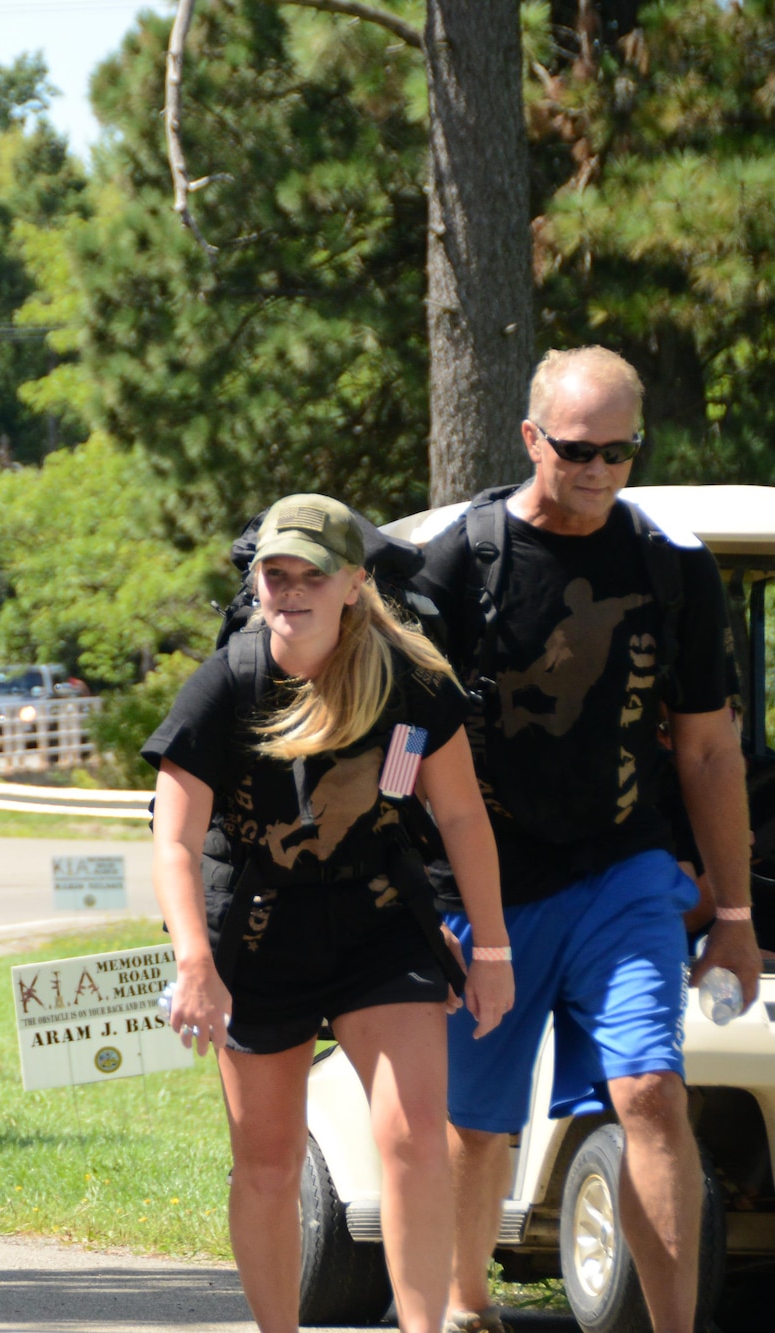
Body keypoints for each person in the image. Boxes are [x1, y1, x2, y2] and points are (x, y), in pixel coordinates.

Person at [410, 347, 755, 1333]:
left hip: (621, 873)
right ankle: (462, 1308)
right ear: (529, 439)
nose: (598, 471)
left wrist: (729, 913)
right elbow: (396, 749)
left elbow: (705, 755)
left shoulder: (668, 567)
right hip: (480, 888)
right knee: (473, 1130)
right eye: (575, 451)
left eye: (618, 451)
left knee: (647, 1091)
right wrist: (403, 896)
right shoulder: (458, 561)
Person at [145, 494, 514, 1333]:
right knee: (269, 1163)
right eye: (277, 573)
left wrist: (491, 949)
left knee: (417, 1135)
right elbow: (173, 837)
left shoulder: (411, 679)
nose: (292, 590)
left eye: (313, 573)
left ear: (354, 581)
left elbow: (460, 816)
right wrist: (194, 964)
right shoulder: (230, 681)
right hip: (259, 927)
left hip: (378, 916)